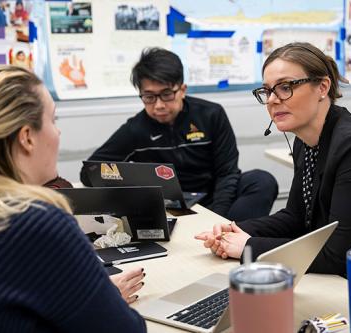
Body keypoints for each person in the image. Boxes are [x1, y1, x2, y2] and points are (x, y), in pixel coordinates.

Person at [195, 42, 351, 323]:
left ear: (322, 87)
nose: (273, 99)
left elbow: (338, 252)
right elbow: (297, 217)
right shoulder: (307, 142)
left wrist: (248, 245)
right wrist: (233, 231)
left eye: (285, 87)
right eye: (267, 90)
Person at [0, 65, 147, 332]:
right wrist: (105, 302)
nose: (58, 133)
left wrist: (90, 295)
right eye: (53, 120)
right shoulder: (34, 222)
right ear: (27, 137)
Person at [80, 48, 278, 221]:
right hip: (168, 208)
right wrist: (137, 188)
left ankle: (232, 237)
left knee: (262, 180)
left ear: (182, 90)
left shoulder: (211, 114)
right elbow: (90, 174)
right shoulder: (135, 129)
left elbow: (227, 173)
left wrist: (216, 219)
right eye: (149, 97)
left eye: (166, 94)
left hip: (214, 199)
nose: (158, 105)